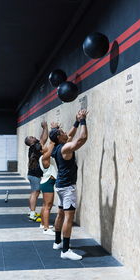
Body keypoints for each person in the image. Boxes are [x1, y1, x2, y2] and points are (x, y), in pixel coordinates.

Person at [49, 109, 88, 260]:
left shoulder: (57, 147)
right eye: (63, 131)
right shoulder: (65, 148)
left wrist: (77, 121)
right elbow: (82, 138)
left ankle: (58, 242)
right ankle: (65, 251)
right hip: (67, 188)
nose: (66, 132)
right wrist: (83, 120)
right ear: (59, 136)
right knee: (68, 218)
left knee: (60, 214)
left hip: (60, 186)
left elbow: (70, 135)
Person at [24, 121, 48, 221]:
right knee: (35, 193)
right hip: (34, 175)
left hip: (32, 174)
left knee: (34, 192)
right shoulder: (35, 147)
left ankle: (31, 212)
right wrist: (45, 127)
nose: (34, 136)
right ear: (31, 142)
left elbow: (41, 140)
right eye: (32, 137)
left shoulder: (33, 147)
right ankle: (32, 214)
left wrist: (43, 129)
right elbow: (44, 140)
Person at [39, 141, 57, 235]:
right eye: (43, 146)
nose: (45, 146)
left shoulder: (43, 157)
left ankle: (43, 224)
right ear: (41, 150)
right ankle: (46, 229)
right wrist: (55, 130)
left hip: (46, 182)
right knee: (48, 206)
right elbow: (52, 144)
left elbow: (50, 144)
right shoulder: (45, 157)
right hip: (48, 183)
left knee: (45, 205)